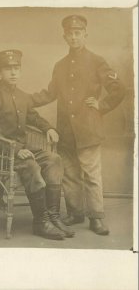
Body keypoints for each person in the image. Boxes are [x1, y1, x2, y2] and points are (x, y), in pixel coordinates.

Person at [30, 15, 125, 235]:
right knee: (70, 174)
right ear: (65, 37)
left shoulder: (97, 61)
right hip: (65, 130)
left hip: (88, 129)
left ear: (85, 34)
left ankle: (96, 217)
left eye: (78, 32)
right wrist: (26, 100)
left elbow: (118, 89)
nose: (74, 37)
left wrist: (101, 106)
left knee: (91, 175)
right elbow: (49, 93)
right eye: (70, 33)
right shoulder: (60, 65)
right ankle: (75, 212)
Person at [0, 49, 74, 240]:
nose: (13, 73)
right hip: (0, 154)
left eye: (16, 68)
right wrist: (16, 150)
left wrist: (48, 128)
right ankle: (40, 222)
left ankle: (53, 216)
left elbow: (34, 117)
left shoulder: (22, 96)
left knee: (54, 159)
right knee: (31, 165)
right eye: (8, 69)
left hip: (22, 151)